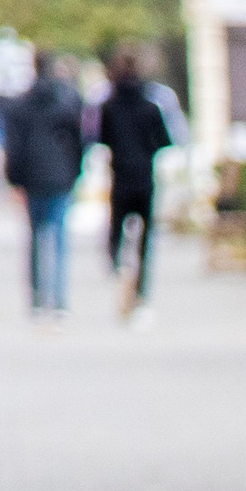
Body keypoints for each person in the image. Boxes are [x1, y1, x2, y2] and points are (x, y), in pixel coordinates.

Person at [1, 49, 88, 316]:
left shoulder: (20, 106)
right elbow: (78, 142)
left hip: (32, 177)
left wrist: (14, 179)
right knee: (59, 236)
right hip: (60, 175)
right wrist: (76, 171)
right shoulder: (67, 103)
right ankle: (59, 298)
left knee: (36, 236)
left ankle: (38, 296)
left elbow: (13, 147)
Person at [98, 52, 173, 319]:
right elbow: (164, 141)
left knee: (117, 228)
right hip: (144, 178)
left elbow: (102, 139)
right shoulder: (150, 107)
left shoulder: (109, 107)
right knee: (144, 238)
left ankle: (117, 268)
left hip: (119, 177)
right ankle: (141, 287)